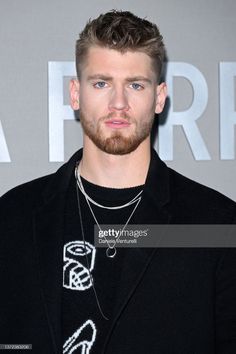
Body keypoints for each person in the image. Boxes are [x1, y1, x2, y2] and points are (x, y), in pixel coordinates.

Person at [0, 10, 236, 354]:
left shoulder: (215, 225)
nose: (119, 103)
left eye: (135, 85)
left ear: (159, 97)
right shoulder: (12, 217)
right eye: (101, 83)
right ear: (75, 93)